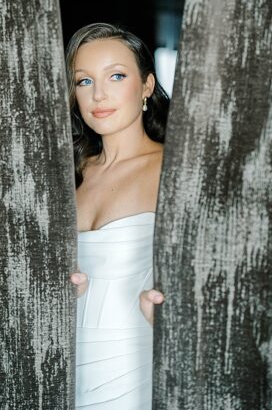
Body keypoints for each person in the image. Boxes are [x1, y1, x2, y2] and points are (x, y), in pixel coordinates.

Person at [64, 23, 169, 409]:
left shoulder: (174, 170)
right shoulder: (64, 176)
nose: (99, 94)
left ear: (146, 85)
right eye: (84, 81)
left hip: (136, 364)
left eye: (117, 76)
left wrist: (169, 316)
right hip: (62, 366)